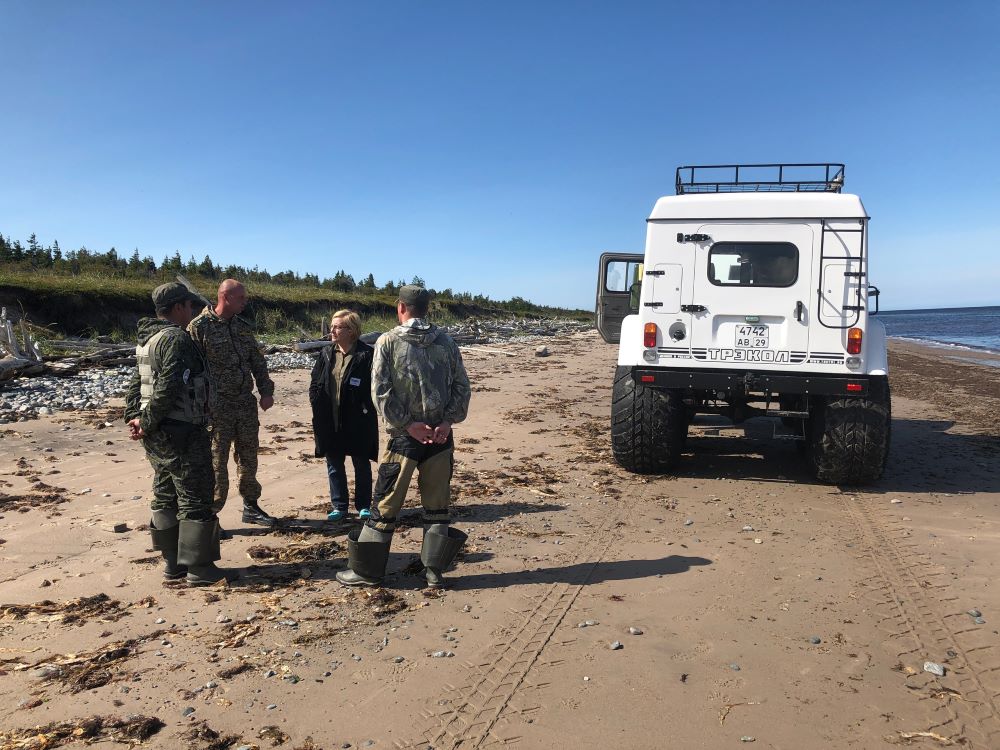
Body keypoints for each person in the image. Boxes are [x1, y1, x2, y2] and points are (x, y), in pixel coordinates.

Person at [336, 285, 472, 589]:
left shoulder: (387, 341)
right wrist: (448, 421)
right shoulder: (447, 343)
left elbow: (380, 392)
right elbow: (462, 387)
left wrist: (408, 424)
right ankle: (434, 571)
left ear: (401, 308)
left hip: (404, 439)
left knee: (384, 506)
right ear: (427, 309)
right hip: (440, 437)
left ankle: (367, 571)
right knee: (437, 506)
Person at [125, 282, 236, 585]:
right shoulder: (176, 339)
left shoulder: (147, 340)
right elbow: (169, 385)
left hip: (158, 434)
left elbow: (137, 383)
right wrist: (146, 420)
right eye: (188, 306)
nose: (192, 311)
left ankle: (173, 563)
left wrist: (135, 417)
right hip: (181, 430)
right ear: (177, 308)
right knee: (195, 495)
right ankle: (200, 568)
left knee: (165, 492)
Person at [188, 279, 276, 531]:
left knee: (248, 457)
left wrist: (266, 391)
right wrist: (202, 405)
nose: (245, 302)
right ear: (225, 297)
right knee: (216, 462)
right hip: (216, 408)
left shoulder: (242, 327)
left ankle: (251, 506)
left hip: (244, 404)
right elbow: (193, 371)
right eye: (241, 298)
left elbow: (257, 362)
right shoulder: (199, 327)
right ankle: (211, 517)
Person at [308, 310, 378, 522]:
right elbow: (315, 381)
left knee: (361, 461)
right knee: (334, 462)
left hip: (358, 418)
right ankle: (339, 506)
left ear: (352, 330)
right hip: (330, 418)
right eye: (332, 326)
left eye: (338, 327)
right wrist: (316, 402)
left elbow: (377, 385)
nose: (332, 330)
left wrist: (366, 406)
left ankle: (364, 505)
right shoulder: (326, 353)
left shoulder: (367, 355)